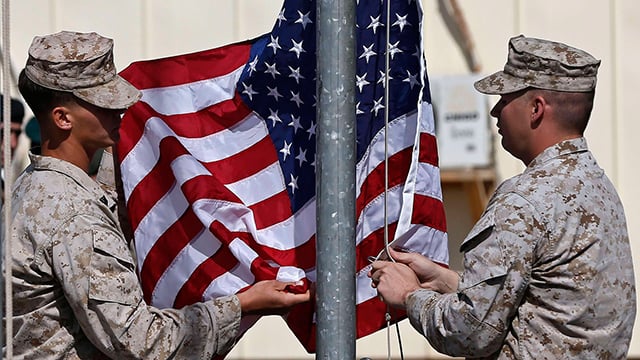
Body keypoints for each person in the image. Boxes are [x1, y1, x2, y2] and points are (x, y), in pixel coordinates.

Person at [3, 30, 310, 359]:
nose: (119, 111)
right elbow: (140, 342)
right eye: (102, 104)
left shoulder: (30, 188)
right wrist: (244, 304)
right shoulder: (75, 215)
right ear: (63, 118)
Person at [369, 35, 636, 359]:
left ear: (536, 108)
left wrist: (409, 294)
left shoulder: (524, 199)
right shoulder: (597, 186)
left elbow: (468, 331)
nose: (495, 110)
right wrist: (445, 280)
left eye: (506, 97)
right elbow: (543, 304)